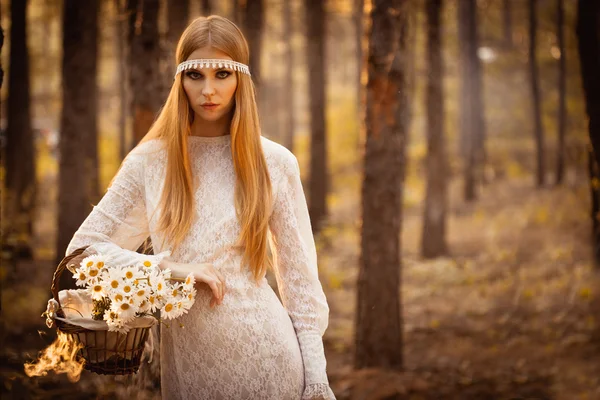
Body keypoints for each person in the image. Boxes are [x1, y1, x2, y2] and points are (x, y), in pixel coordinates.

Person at [65, 15, 336, 400]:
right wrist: (171, 268)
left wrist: (317, 381)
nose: (209, 90)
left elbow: (302, 288)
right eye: (196, 75)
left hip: (269, 361)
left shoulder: (275, 162)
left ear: (241, 79)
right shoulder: (150, 162)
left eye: (223, 74)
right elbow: (81, 253)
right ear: (181, 81)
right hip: (189, 373)